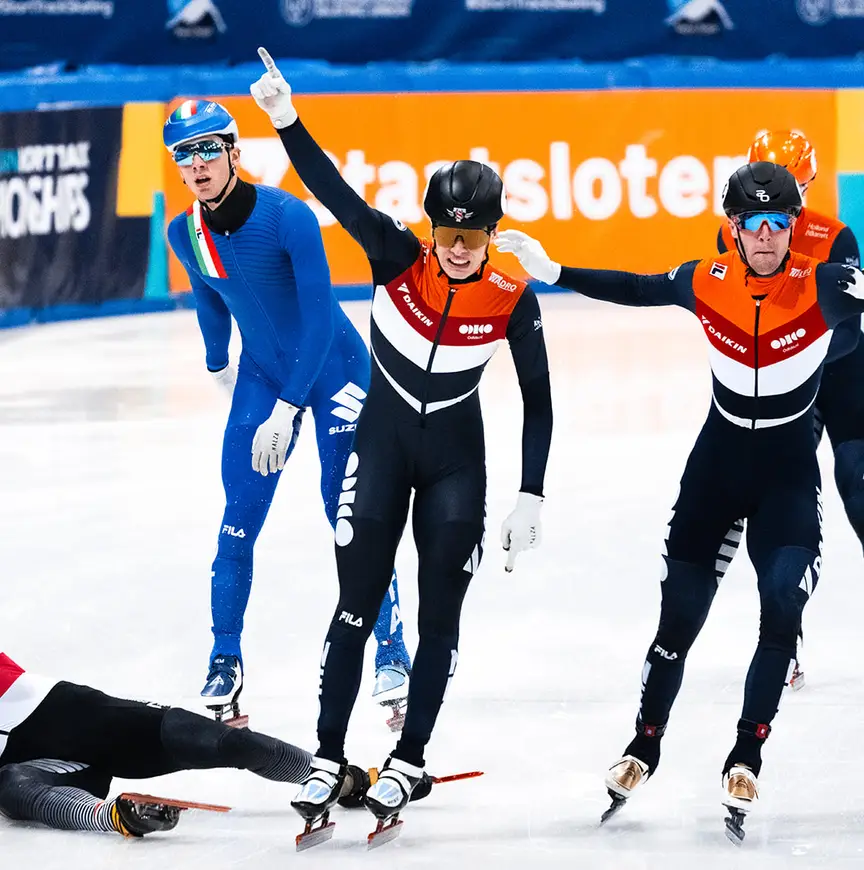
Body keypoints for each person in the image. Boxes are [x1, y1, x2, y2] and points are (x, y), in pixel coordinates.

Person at [494, 162, 864, 839]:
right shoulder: (707, 280)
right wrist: (555, 271)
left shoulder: (825, 286)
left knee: (783, 602)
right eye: (753, 223)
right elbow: (638, 289)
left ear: (793, 227)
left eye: (779, 223)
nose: (766, 236)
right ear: (733, 228)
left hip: (786, 473)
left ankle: (747, 751)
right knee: (679, 618)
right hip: (716, 471)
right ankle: (645, 743)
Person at [249, 48, 553, 827]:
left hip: (457, 463)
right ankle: (326, 755)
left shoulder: (513, 295)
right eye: (448, 229)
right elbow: (330, 190)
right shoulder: (395, 255)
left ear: (493, 230)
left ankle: (410, 759)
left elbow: (538, 396)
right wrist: (286, 119)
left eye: (473, 232)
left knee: (440, 617)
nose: (457, 244)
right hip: (381, 451)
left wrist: (531, 492)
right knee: (354, 604)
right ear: (431, 226)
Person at [163, 99, 411, 724]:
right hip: (264, 374)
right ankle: (224, 658)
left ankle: (392, 649)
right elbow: (209, 295)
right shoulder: (182, 231)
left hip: (333, 369)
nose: (195, 166)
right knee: (237, 521)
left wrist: (287, 408)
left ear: (233, 152)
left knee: (345, 512)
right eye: (182, 155)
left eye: (206, 150)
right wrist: (219, 365)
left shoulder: (287, 217)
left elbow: (320, 318)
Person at [714, 131, 861, 691]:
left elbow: (847, 332)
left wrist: (800, 350)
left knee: (857, 482)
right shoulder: (734, 234)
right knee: (776, 509)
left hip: (838, 371)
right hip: (779, 384)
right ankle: (784, 627)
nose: (772, 215)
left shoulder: (835, 235)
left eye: (791, 192)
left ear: (808, 187)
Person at [0, 651, 382, 836]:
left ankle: (338, 779)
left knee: (233, 746)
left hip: (106, 730)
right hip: (53, 773)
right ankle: (115, 816)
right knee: (11, 789)